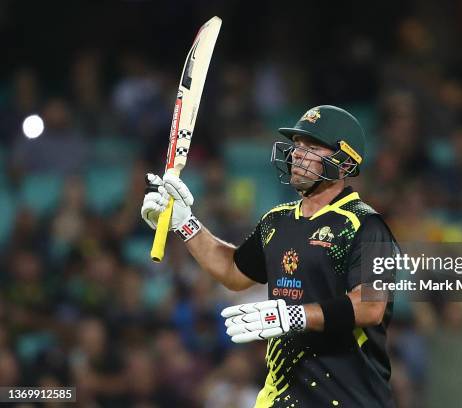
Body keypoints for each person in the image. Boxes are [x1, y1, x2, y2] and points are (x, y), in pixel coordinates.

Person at [141, 105, 398, 407]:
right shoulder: (277, 220)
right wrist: (185, 223)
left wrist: (292, 316)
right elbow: (233, 273)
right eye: (297, 145)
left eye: (313, 147)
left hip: (350, 397)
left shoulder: (366, 224)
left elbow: (371, 306)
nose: (298, 154)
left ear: (344, 162)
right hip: (281, 397)